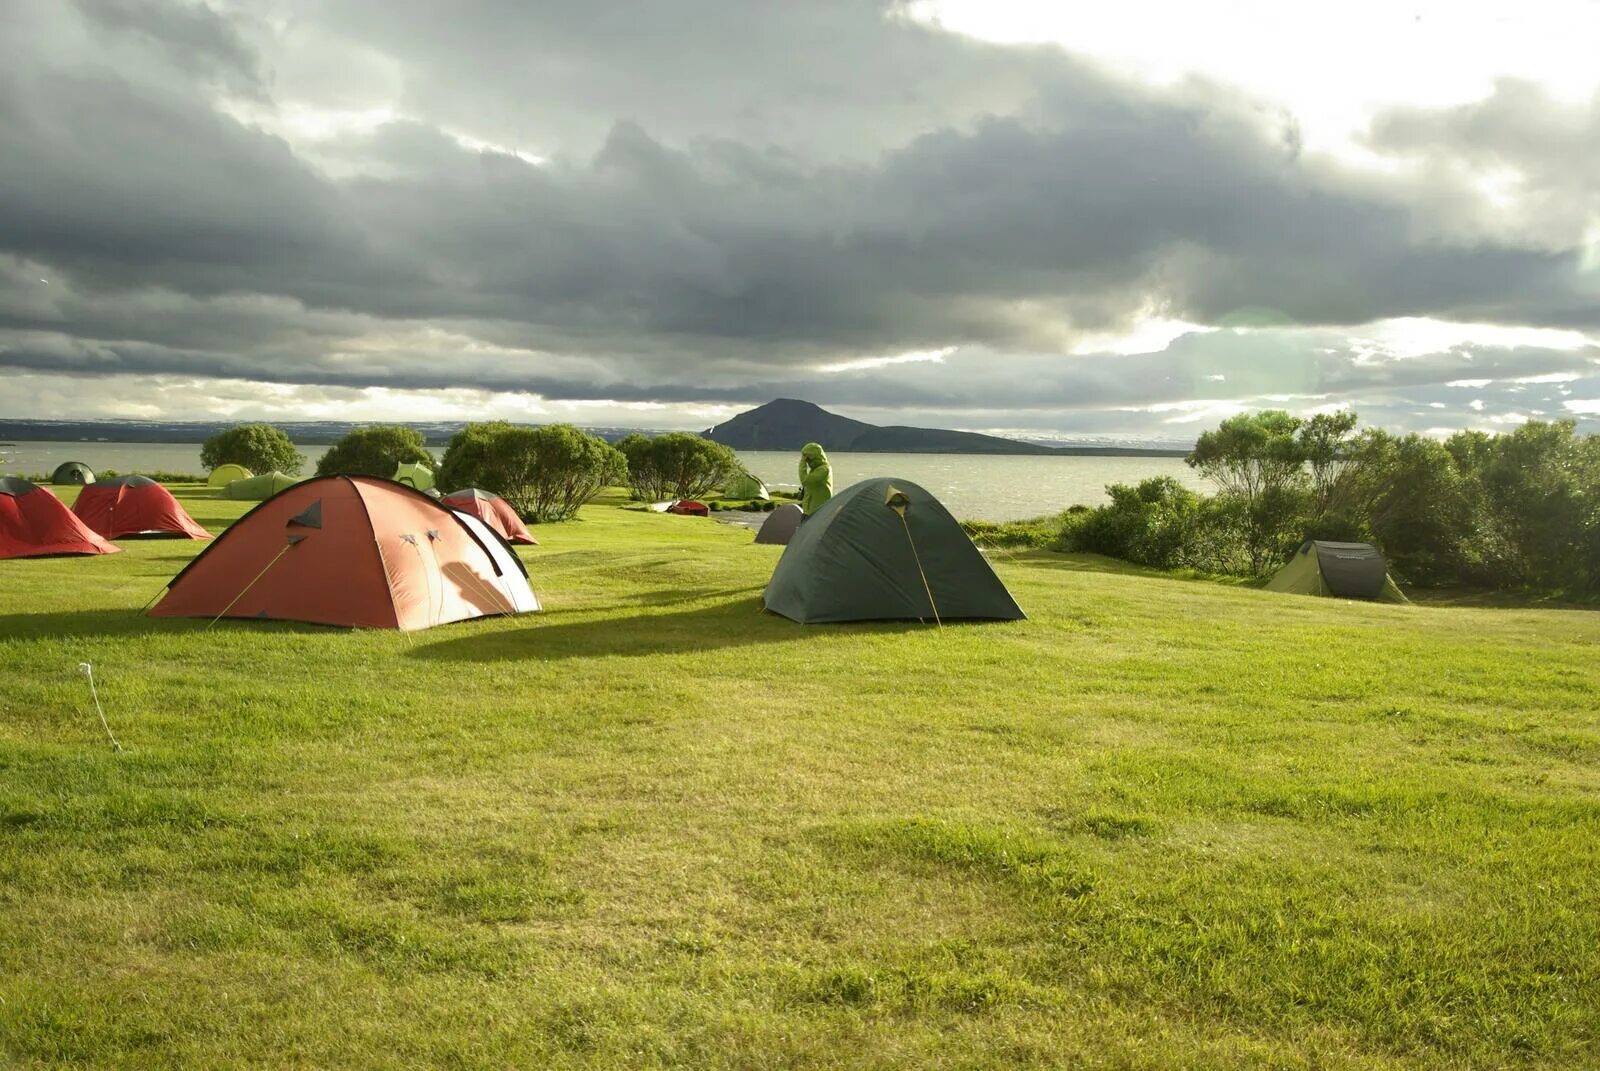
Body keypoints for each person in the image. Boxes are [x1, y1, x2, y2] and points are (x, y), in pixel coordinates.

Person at [798, 442, 833, 514]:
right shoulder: (815, 470)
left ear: (814, 457)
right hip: (809, 512)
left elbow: (805, 481)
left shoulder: (824, 469)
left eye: (807, 458)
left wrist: (802, 462)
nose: (807, 461)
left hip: (818, 512)